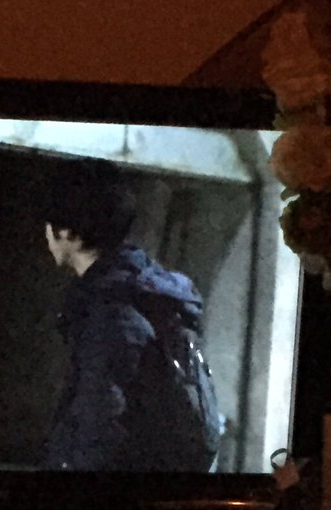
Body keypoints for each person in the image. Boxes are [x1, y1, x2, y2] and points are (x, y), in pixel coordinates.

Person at [42, 165, 219, 472]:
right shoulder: (146, 290)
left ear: (66, 233)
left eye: (48, 227)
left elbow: (100, 424)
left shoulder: (110, 311)